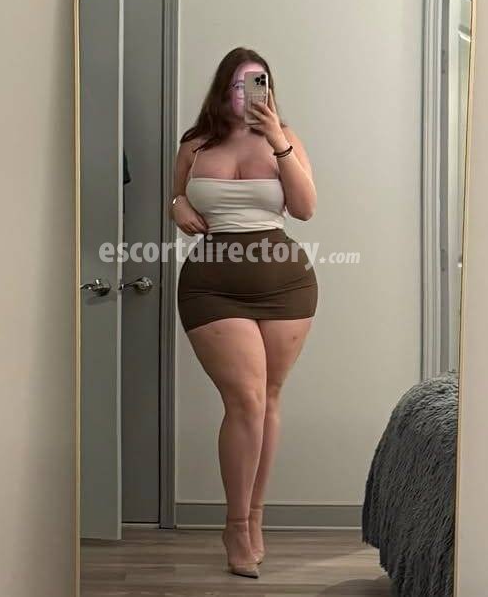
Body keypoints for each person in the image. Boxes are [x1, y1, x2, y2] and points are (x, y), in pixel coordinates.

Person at [170, 47, 318, 578]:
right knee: (247, 400)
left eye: (258, 83)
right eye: (238, 83)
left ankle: (255, 517)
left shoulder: (286, 137)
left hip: (286, 286)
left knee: (268, 399)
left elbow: (304, 208)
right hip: (213, 288)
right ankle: (235, 525)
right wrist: (177, 206)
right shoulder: (195, 143)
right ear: (222, 89)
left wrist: (277, 139)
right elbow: (177, 196)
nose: (247, 93)